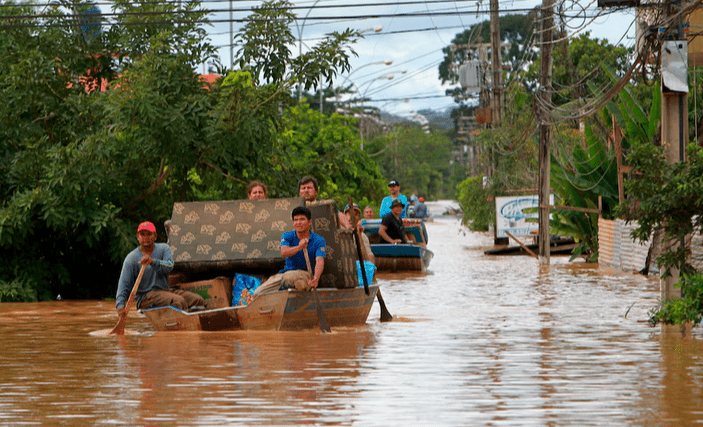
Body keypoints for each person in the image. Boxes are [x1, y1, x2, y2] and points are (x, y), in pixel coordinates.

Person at [115, 221, 205, 317]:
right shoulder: (131, 258)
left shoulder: (164, 248)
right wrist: (120, 305)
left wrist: (153, 262)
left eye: (149, 234)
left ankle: (194, 323)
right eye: (142, 234)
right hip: (146, 297)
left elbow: (169, 265)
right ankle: (179, 326)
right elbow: (123, 284)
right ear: (138, 237)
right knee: (179, 301)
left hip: (165, 291)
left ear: (155, 236)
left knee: (197, 300)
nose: (146, 237)